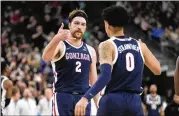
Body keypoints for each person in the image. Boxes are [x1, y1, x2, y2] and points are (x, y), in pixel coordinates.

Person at [75, 5, 161, 116]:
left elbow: (106, 76)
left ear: (107, 24)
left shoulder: (107, 45)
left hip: (113, 100)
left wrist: (85, 98)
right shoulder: (140, 45)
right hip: (134, 102)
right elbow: (157, 70)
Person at [42, 9, 99, 116]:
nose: (79, 26)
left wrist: (98, 102)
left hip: (83, 98)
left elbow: (94, 80)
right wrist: (56, 38)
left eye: (83, 24)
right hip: (63, 96)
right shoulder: (61, 45)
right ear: (70, 25)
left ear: (85, 28)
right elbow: (45, 57)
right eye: (76, 23)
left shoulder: (90, 50)